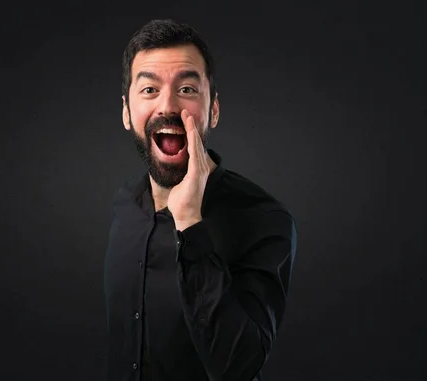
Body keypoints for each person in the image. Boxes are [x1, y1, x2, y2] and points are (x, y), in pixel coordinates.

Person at [103, 19, 298, 381]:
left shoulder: (264, 219)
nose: (168, 106)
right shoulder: (126, 203)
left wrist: (190, 223)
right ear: (127, 113)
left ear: (214, 110)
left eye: (188, 89)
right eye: (149, 90)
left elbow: (240, 368)